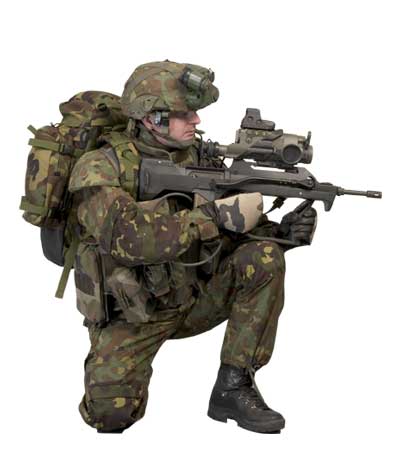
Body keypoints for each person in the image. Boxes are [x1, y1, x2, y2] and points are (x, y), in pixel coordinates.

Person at [68, 60, 317, 434]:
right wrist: (211, 217)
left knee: (264, 258)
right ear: (151, 117)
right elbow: (128, 240)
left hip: (194, 296)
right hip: (134, 313)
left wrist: (280, 233)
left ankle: (233, 386)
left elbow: (231, 231)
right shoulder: (101, 167)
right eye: (184, 114)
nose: (196, 121)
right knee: (109, 415)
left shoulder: (201, 156)